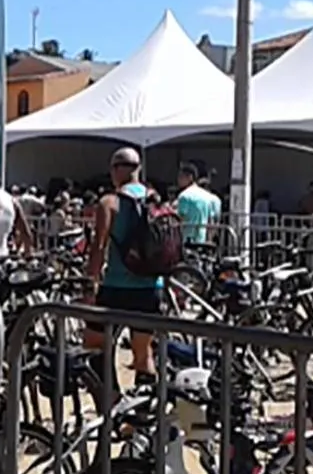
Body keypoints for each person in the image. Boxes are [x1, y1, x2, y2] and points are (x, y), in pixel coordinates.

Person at [83, 147, 162, 380]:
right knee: (143, 354)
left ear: (117, 170)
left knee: (95, 346)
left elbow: (99, 246)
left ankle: (110, 396)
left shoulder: (110, 202)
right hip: (150, 287)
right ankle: (147, 399)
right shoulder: (155, 200)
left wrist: (90, 283)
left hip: (116, 287)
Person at [175, 162, 221, 245]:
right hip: (202, 240)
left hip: (186, 240)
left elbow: (180, 219)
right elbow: (211, 220)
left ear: (190, 177)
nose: (178, 180)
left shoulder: (184, 196)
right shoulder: (207, 196)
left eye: (181, 177)